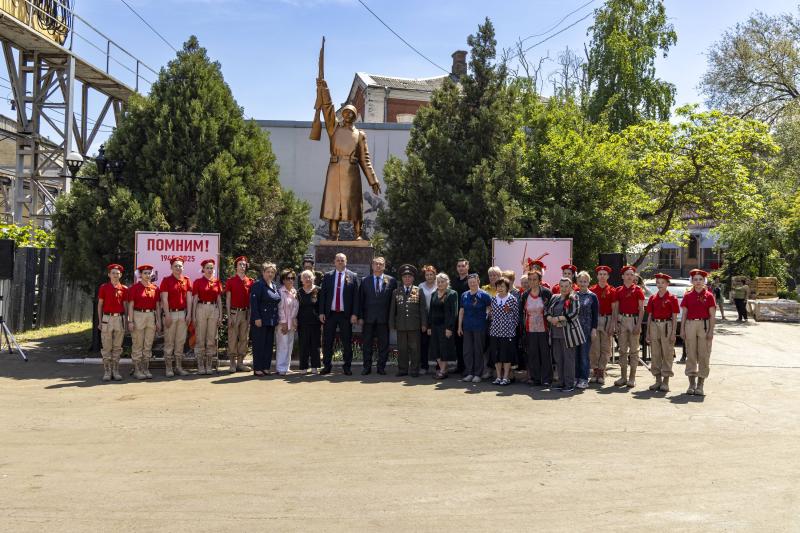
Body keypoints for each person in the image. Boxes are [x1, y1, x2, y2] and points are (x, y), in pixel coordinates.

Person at [315, 78, 382, 240]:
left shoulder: (359, 135)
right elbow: (328, 108)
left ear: (354, 116)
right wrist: (324, 88)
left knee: (354, 203)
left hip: (351, 171)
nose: (347, 115)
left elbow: (365, 159)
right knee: (333, 203)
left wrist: (373, 180)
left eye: (350, 113)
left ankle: (358, 234)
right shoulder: (334, 129)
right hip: (334, 168)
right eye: (345, 112)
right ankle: (333, 234)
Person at [319, 253, 360, 375]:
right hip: (330, 314)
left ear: (346, 261)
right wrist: (321, 312)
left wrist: (355, 314)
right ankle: (327, 366)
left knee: (346, 342)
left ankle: (347, 367)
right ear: (334, 262)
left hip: (345, 315)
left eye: (342, 260)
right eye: (338, 260)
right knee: (328, 342)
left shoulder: (353, 276)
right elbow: (323, 296)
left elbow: (356, 297)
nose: (340, 262)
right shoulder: (328, 276)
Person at [680, 269, 717, 396]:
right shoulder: (687, 296)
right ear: (692, 281)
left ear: (704, 281)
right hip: (690, 324)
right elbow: (684, 314)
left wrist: (711, 331)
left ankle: (700, 385)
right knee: (691, 354)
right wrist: (682, 329)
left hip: (704, 325)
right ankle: (691, 384)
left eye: (700, 279)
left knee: (704, 355)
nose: (698, 282)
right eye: (695, 279)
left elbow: (712, 315)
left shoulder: (709, 296)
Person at [545, 277, 584, 392]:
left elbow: (574, 313)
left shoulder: (574, 297)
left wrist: (557, 318)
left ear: (571, 286)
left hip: (569, 335)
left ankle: (569, 384)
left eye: (567, 286)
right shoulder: (554, 297)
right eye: (562, 286)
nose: (564, 288)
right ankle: (561, 382)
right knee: (558, 359)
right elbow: (547, 311)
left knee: (569, 359)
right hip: (555, 334)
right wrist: (550, 318)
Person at [358, 257, 396, 375]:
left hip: (384, 318)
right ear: (372, 266)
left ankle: (381, 367)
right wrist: (360, 317)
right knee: (367, 344)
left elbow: (393, 302)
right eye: (376, 264)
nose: (378, 266)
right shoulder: (365, 280)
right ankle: (367, 367)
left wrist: (392, 318)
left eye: (381, 264)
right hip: (368, 318)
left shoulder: (391, 280)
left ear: (384, 266)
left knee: (384, 344)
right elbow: (360, 300)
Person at [389, 264, 427, 377]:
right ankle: (403, 370)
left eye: (409, 276)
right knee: (402, 349)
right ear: (402, 278)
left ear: (413, 278)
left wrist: (424, 323)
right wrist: (391, 324)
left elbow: (423, 309)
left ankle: (415, 370)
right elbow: (392, 310)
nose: (407, 278)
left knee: (415, 349)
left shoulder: (419, 291)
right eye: (405, 276)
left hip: (415, 325)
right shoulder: (396, 292)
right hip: (401, 325)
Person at [646, 273, 680, 392]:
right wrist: (648, 332)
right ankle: (657, 380)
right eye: (658, 282)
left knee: (667, 353)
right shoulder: (652, 298)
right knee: (655, 353)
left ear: (667, 284)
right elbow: (649, 315)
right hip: (654, 324)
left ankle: (666, 381)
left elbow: (674, 317)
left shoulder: (672, 298)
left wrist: (673, 333)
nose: (660, 285)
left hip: (667, 325)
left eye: (662, 282)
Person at [160, 256, 193, 377]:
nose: (178, 268)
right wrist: (167, 315)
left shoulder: (187, 280)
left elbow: (189, 298)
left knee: (180, 341)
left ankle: (178, 367)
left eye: (180, 266)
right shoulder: (166, 280)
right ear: (171, 267)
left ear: (183, 267)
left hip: (183, 314)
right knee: (169, 341)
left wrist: (189, 313)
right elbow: (164, 299)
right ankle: (169, 368)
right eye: (175, 266)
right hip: (171, 314)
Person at [519, 268, 553, 386]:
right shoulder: (525, 295)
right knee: (533, 354)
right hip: (530, 328)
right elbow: (521, 312)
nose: (532, 282)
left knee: (545, 354)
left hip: (544, 328)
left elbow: (551, 310)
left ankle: (547, 379)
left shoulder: (546, 293)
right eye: (530, 279)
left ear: (540, 280)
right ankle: (535, 378)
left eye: (535, 279)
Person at [127, 264, 160, 380]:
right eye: (145, 273)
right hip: (138, 315)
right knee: (137, 343)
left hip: (151, 316)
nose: (147, 275)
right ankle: (137, 369)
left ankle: (145, 368)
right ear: (140, 275)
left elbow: (157, 306)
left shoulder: (155, 288)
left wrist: (158, 321)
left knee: (148, 344)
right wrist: (130, 321)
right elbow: (130, 306)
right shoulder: (134, 288)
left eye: (149, 273)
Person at [614, 265, 645, 388]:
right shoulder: (618, 290)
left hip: (634, 320)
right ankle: (623, 377)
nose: (629, 276)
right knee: (622, 350)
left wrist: (638, 325)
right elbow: (616, 308)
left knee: (634, 350)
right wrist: (616, 323)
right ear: (622, 276)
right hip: (622, 320)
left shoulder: (638, 290)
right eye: (627, 274)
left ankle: (632, 378)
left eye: (632, 274)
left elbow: (641, 309)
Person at [457, 274, 492, 383]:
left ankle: (478, 374)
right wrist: (459, 326)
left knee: (478, 350)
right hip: (467, 327)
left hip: (480, 327)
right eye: (470, 282)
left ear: (478, 281)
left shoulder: (485, 295)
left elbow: (491, 308)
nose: (472, 284)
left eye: (474, 281)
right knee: (467, 351)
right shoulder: (464, 295)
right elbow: (461, 311)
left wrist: (487, 316)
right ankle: (469, 373)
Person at [97, 263, 128, 381]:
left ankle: (115, 370)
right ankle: (107, 371)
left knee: (117, 346)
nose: (115, 275)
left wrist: (126, 321)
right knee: (106, 346)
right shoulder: (104, 287)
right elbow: (100, 305)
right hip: (107, 319)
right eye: (113, 273)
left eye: (117, 273)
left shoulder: (124, 289)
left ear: (120, 275)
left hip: (119, 319)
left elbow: (125, 307)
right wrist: (100, 321)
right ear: (109, 274)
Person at [192, 259, 223, 375]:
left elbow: (219, 299)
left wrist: (220, 315)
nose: (210, 270)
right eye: (207, 268)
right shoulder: (198, 282)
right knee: (200, 337)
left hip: (213, 309)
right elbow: (195, 299)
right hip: (201, 308)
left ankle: (209, 364)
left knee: (211, 338)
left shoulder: (217, 282)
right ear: (203, 269)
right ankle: (200, 364)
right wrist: (194, 315)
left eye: (211, 268)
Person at [250, 262, 281, 376]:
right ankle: (258, 368)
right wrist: (256, 318)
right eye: (268, 272)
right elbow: (254, 303)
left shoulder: (273, 285)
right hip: (261, 320)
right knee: (259, 344)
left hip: (271, 320)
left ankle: (265, 367)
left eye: (272, 272)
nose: (270, 274)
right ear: (263, 273)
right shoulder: (258, 285)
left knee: (268, 345)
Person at [427, 272, 458, 379]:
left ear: (447, 282)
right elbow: (431, 311)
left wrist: (449, 328)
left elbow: (454, 312)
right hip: (434, 326)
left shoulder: (452, 294)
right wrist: (429, 326)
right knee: (435, 348)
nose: (440, 284)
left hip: (445, 326)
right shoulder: (434, 294)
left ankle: (443, 370)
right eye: (438, 282)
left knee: (444, 348)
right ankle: (442, 369)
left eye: (442, 282)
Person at [589, 265, 617, 385]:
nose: (602, 276)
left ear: (608, 276)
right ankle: (595, 370)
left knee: (605, 348)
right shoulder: (592, 290)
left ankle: (601, 371)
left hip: (607, 319)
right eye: (600, 274)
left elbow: (615, 309)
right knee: (594, 348)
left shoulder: (612, 290)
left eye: (605, 274)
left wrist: (613, 324)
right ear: (597, 276)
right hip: (595, 320)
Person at [225, 256, 253, 373]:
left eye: (244, 264)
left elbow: (252, 300)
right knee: (232, 338)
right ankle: (232, 363)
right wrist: (229, 316)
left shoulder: (250, 281)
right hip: (234, 313)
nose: (242, 266)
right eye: (240, 264)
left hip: (246, 313)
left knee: (243, 338)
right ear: (236, 266)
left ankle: (240, 363)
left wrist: (251, 315)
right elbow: (227, 299)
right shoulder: (231, 281)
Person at [489, 277, 519, 386]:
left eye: (502, 286)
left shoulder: (512, 299)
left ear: (507, 287)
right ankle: (498, 377)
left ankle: (506, 377)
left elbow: (516, 316)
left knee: (506, 355)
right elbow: (491, 314)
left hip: (508, 332)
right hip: (495, 331)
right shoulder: (493, 299)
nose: (500, 288)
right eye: (498, 286)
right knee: (496, 355)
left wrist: (511, 327)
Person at [575, 271, 598, 389]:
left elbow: (595, 315)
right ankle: (576, 377)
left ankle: (584, 379)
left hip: (586, 329)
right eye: (580, 281)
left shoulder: (593, 296)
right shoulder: (573, 295)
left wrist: (594, 329)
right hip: (574, 330)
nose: (583, 283)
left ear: (588, 282)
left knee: (584, 355)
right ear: (577, 282)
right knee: (575, 355)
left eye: (585, 281)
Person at [297, 270, 322, 374]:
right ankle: (303, 366)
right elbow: (296, 308)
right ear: (302, 280)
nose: (307, 279)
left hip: (316, 322)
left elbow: (322, 306)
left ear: (313, 278)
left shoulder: (319, 290)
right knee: (303, 345)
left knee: (315, 345)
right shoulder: (299, 292)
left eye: (309, 277)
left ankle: (315, 366)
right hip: (302, 323)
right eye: (305, 277)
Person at [276, 269, 299, 375]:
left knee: (289, 345)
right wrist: (283, 323)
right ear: (283, 280)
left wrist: (295, 319)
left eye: (292, 278)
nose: (290, 280)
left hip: (292, 323)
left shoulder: (294, 292)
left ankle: (286, 367)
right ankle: (280, 368)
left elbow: (296, 308)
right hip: (283, 323)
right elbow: (280, 309)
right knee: (282, 345)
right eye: (288, 278)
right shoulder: (281, 292)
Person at [481, 266, 502, 379]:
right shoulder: (484, 289)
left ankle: (496, 370)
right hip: (486, 322)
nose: (493, 277)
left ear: (500, 276)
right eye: (490, 275)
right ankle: (486, 369)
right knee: (486, 346)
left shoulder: (503, 289)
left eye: (495, 275)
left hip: (499, 322)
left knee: (496, 347)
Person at [451, 258, 472, 375]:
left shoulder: (471, 280)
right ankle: (460, 366)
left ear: (467, 267)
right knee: (458, 343)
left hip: (468, 316)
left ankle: (467, 368)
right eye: (459, 266)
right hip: (456, 316)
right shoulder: (454, 281)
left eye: (463, 266)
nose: (461, 268)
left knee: (467, 344)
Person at [417, 265, 438, 375]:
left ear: (435, 275)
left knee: (438, 344)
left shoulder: (439, 285)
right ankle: (424, 366)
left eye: (431, 274)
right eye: (427, 274)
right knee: (424, 344)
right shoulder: (420, 286)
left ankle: (439, 367)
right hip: (424, 318)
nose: (429, 276)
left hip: (437, 318)